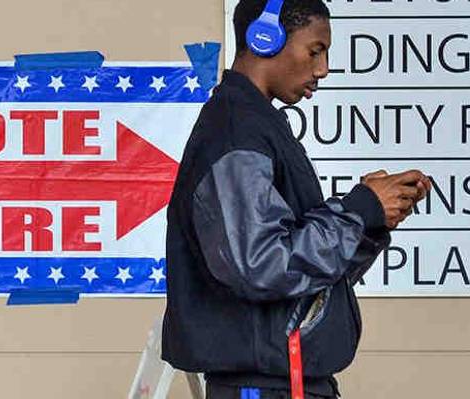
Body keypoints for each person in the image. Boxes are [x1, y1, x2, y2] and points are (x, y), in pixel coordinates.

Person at [161, 0, 430, 397]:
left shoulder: (257, 125)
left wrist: (370, 220)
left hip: (291, 384)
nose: (322, 69)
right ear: (264, 39)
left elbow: (308, 281)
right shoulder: (236, 132)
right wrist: (358, 210)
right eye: (315, 50)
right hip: (264, 388)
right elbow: (261, 264)